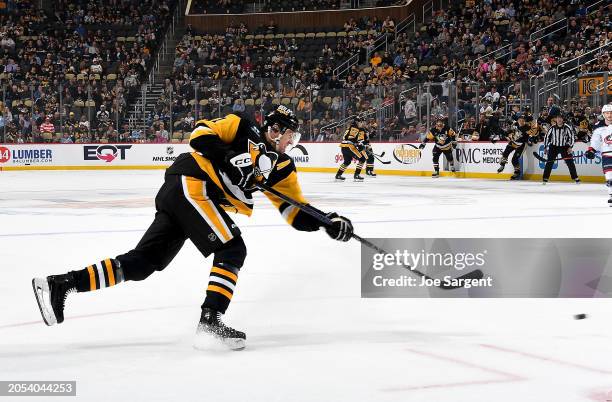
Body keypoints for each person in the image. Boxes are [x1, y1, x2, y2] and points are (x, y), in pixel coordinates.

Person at [32, 106, 354, 350]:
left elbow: (295, 211)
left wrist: (328, 222)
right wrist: (228, 158)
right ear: (274, 129)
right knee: (232, 247)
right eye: (289, 136)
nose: (291, 142)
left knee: (144, 263)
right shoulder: (242, 126)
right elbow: (199, 134)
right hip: (191, 183)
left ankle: (61, 284)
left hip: (188, 196)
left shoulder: (283, 167)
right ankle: (210, 321)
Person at [497, 113, 538, 180]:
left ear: (525, 121)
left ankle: (517, 172)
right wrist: (506, 132)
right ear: (518, 120)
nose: (521, 122)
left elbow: (533, 133)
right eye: (520, 120)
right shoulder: (515, 124)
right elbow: (510, 131)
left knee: (514, 159)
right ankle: (502, 165)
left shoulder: (527, 127)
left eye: (523, 120)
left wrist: (532, 139)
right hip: (513, 142)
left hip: (521, 144)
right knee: (505, 153)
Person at [585, 104, 612, 205]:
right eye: (607, 113)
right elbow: (595, 141)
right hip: (607, 155)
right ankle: (611, 195)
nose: (609, 115)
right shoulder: (598, 126)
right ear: (603, 114)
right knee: (609, 177)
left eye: (611, 113)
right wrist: (591, 150)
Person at [542, 113, 580, 184]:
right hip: (553, 147)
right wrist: (545, 147)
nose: (559, 119)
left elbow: (571, 137)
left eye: (561, 118)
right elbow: (547, 137)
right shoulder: (552, 128)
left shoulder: (567, 127)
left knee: (570, 162)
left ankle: (575, 177)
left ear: (563, 119)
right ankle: (545, 178)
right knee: (549, 162)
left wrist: (570, 147)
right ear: (556, 119)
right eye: (558, 118)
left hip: (564, 147)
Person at [334, 114, 367, 182]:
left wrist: (359, 144)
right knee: (362, 159)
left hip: (344, 146)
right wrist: (358, 144)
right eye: (361, 122)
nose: (362, 123)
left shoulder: (352, 127)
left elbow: (353, 139)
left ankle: (338, 175)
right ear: (357, 122)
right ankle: (356, 175)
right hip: (349, 147)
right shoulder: (355, 128)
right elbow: (351, 139)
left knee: (347, 161)